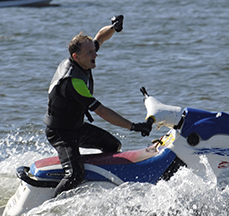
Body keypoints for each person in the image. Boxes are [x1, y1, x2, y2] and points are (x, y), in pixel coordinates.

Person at [44, 15, 152, 198]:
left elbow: (100, 37)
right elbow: (102, 111)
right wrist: (134, 126)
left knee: (112, 145)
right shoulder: (73, 82)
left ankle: (93, 177)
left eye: (94, 51)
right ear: (75, 57)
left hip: (77, 126)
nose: (95, 54)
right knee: (74, 175)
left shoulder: (83, 57)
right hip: (60, 132)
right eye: (90, 53)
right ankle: (51, 207)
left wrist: (113, 27)